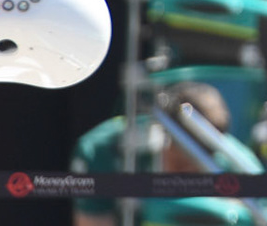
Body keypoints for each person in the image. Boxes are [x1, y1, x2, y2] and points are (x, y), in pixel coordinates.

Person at [72, 83, 234, 226]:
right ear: (166, 138)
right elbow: (93, 221)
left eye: (198, 171)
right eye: (181, 165)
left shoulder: (230, 163)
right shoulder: (103, 152)